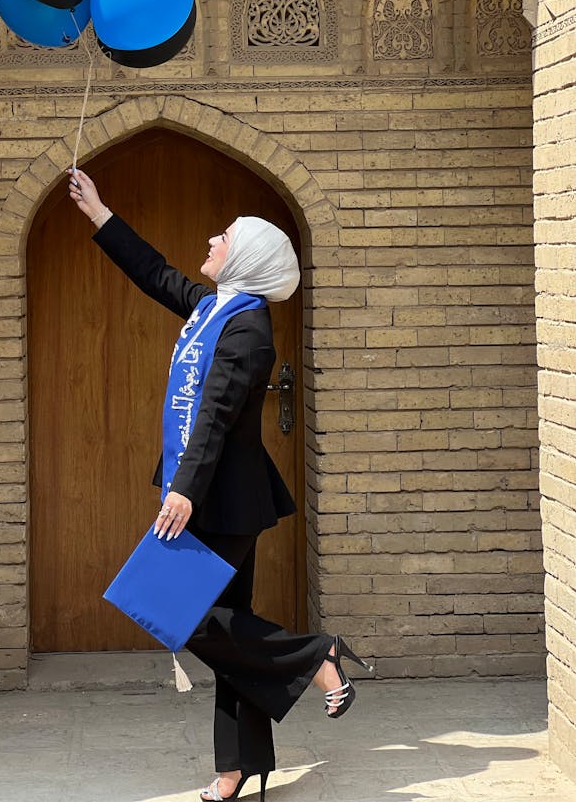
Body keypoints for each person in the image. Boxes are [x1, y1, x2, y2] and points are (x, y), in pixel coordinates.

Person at [67, 167, 373, 802]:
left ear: (249, 259)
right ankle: (240, 766)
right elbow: (154, 273)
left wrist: (184, 488)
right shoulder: (213, 310)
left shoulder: (248, 328)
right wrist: (99, 213)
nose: (212, 239)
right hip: (214, 492)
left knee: (185, 613)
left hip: (221, 498)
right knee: (232, 629)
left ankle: (316, 657)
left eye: (225, 236)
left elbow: (218, 410)